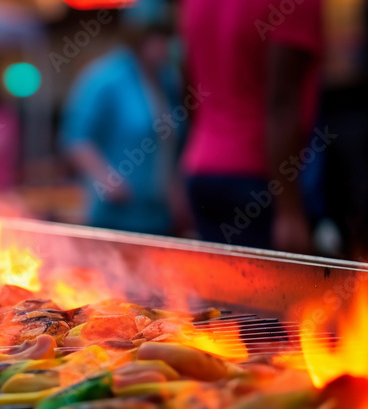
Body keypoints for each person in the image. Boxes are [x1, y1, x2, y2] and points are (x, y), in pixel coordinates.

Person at [181, 0, 322, 252]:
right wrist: (289, 211)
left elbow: (189, 87)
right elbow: (282, 101)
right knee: (272, 289)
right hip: (259, 180)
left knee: (218, 287)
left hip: (202, 170)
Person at [60, 22, 179, 235]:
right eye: (161, 39)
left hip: (159, 214)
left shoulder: (167, 80)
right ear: (142, 39)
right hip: (116, 215)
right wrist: (107, 179)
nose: (167, 47)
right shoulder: (106, 78)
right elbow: (75, 137)